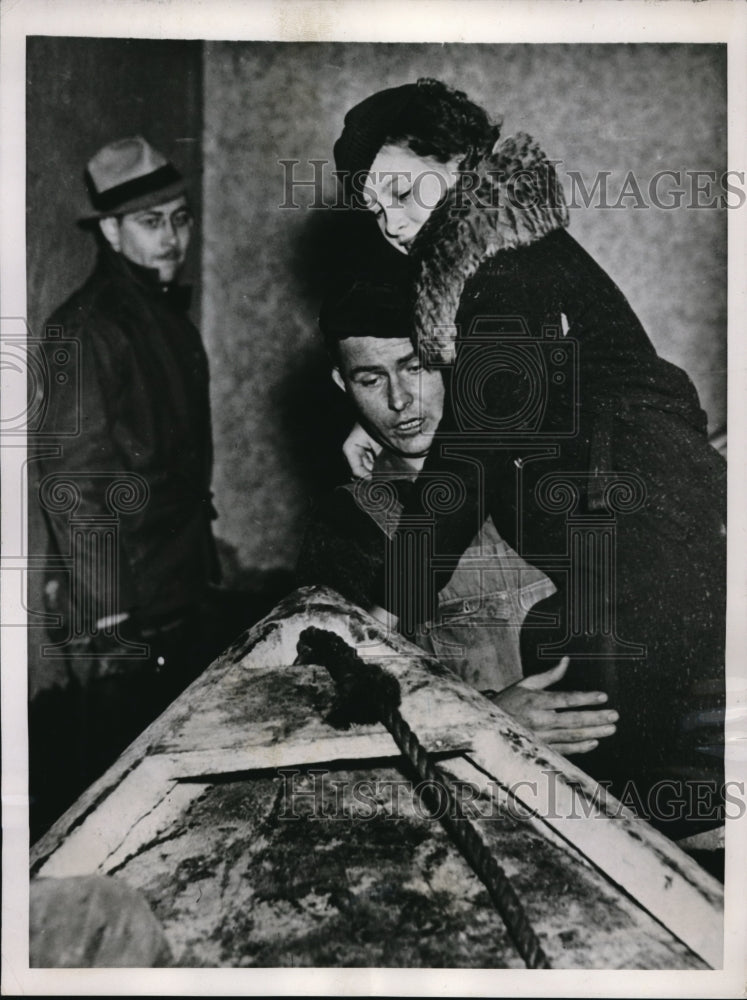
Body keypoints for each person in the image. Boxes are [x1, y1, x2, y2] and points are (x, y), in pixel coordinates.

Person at [331, 79, 726, 834]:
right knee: (559, 658)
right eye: (373, 205)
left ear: (458, 161)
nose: (390, 220)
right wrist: (363, 425)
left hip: (652, 549)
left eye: (402, 190)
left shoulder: (504, 278)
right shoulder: (505, 250)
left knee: (608, 788)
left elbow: (472, 457)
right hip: (652, 531)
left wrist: (390, 607)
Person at [297, 275, 619, 757]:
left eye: (415, 367)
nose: (399, 400)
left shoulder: (545, 466)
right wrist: (487, 717)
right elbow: (324, 701)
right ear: (342, 383)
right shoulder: (350, 523)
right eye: (371, 379)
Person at [30, 136, 245, 838]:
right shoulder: (85, 328)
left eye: (181, 218)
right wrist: (114, 617)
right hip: (124, 606)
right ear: (112, 230)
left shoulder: (159, 316)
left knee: (168, 783)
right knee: (115, 799)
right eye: (153, 223)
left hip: (174, 587)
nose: (173, 238)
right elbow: (71, 481)